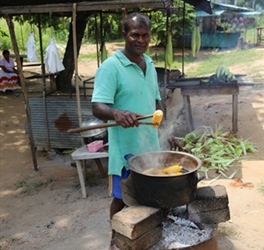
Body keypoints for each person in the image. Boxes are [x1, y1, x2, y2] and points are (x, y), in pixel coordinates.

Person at [91, 12, 161, 250]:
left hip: (150, 147)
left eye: (145, 35)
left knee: (149, 195)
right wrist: (116, 113)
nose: (141, 40)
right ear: (124, 35)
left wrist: (166, 129)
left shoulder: (149, 64)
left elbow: (156, 101)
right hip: (125, 151)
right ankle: (115, 240)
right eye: (135, 35)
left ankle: (146, 236)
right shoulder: (111, 67)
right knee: (121, 198)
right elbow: (97, 106)